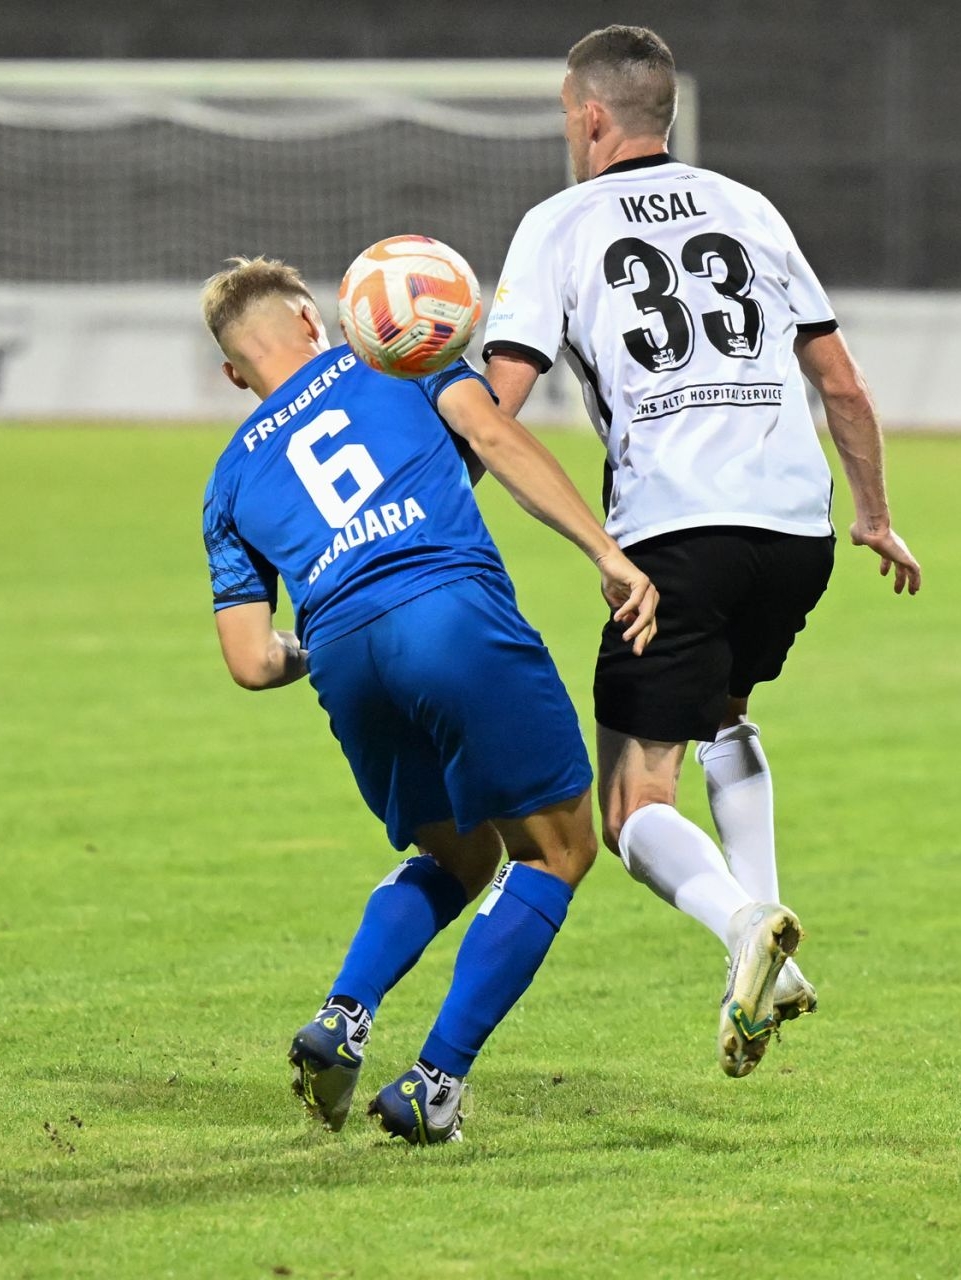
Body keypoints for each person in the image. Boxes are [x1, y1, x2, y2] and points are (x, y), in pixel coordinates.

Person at [480, 25, 921, 1078]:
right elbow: (841, 382)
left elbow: (498, 404)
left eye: (566, 114)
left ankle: (746, 924)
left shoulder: (556, 225)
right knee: (724, 711)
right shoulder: (749, 206)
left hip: (676, 530)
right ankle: (773, 962)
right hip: (796, 530)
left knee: (633, 805)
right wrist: (873, 515)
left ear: (591, 117)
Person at [200, 256, 657, 1143]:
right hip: (451, 617)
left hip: (343, 656)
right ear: (314, 320)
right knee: (558, 850)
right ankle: (435, 1081)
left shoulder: (226, 482)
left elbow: (251, 661)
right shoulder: (401, 360)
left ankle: (343, 1016)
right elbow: (496, 440)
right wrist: (607, 554)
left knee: (459, 855)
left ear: (233, 374)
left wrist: (338, 636)